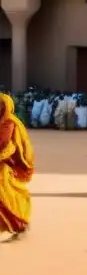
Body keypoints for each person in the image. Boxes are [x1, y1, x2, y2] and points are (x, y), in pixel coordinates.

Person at [0, 92, 35, 242]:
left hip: (5, 166)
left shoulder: (9, 123)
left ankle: (21, 225)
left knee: (7, 198)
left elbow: (6, 145)